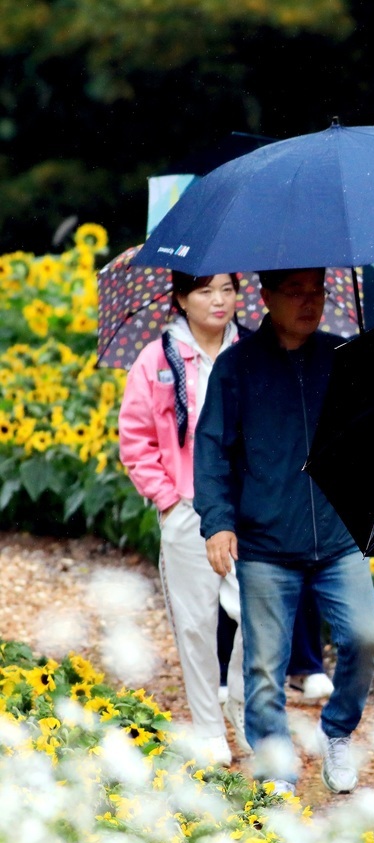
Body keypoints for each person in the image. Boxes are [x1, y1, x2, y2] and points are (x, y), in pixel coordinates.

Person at [194, 267, 374, 796]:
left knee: (364, 636)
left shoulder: (342, 357)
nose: (309, 302)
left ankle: (338, 731)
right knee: (263, 667)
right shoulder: (237, 368)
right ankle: (277, 768)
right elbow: (211, 450)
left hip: (338, 537)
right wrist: (218, 523)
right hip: (265, 542)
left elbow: (368, 439)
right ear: (266, 296)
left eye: (317, 292)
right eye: (295, 292)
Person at [119, 271, 247, 765]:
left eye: (228, 289)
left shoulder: (253, 353)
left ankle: (241, 704)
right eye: (204, 291)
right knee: (196, 623)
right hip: (188, 508)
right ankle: (209, 728)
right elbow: (135, 439)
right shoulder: (157, 360)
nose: (219, 301)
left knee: (258, 617)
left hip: (248, 512)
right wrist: (168, 501)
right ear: (180, 298)